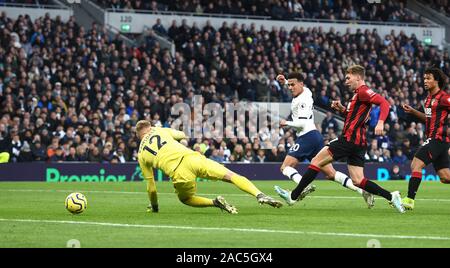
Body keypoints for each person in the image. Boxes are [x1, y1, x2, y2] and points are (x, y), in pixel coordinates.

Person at [275, 65, 405, 213]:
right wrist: (342, 109)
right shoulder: (357, 95)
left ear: (358, 77)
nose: (346, 81)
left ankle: (293, 196)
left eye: (348, 78)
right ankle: (391, 196)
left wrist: (381, 121)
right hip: (359, 143)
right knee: (358, 180)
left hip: (348, 139)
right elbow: (354, 117)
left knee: (316, 161)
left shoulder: (363, 91)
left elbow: (384, 103)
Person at [135, 120, 283, 214]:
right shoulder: (160, 130)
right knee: (231, 176)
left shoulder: (141, 154)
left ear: (139, 135)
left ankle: (215, 202)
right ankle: (259, 194)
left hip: (179, 172)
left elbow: (151, 188)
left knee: (186, 199)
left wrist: (154, 207)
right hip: (193, 158)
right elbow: (182, 134)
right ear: (150, 127)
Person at [275, 72, 374, 208]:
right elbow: (295, 85)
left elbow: (302, 123)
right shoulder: (307, 91)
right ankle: (361, 190)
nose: (290, 87)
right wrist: (285, 81)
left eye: (293, 85)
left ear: (301, 84)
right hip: (315, 136)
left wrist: (287, 122)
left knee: (285, 166)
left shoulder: (302, 101)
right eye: (290, 85)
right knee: (330, 174)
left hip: (307, 136)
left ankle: (302, 186)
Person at [401, 67, 450, 210]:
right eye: (424, 78)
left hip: (438, 139)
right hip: (438, 141)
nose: (425, 81)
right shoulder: (429, 100)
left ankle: (409, 200)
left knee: (416, 164)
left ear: (437, 81)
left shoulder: (444, 98)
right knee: (445, 177)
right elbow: (429, 119)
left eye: (428, 78)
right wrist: (413, 112)